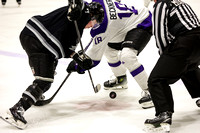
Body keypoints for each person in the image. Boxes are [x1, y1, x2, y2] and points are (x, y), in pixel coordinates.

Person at [1, 0, 104, 129]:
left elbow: (67, 50)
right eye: (94, 23)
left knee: (48, 76)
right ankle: (16, 110)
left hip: (37, 39)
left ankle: (34, 94)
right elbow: (76, 3)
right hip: (38, 41)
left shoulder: (78, 29)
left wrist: (80, 59)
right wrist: (75, 6)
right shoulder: (82, 10)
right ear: (92, 16)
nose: (91, 26)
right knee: (45, 80)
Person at [67, 0, 154, 109]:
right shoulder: (96, 3)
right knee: (108, 48)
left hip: (142, 22)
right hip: (125, 25)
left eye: (84, 23)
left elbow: (93, 60)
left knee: (127, 56)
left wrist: (77, 66)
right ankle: (121, 78)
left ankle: (153, 92)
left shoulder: (102, 29)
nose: (84, 27)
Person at [144, 0, 200, 131]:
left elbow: (159, 33)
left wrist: (165, 57)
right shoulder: (180, 2)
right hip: (198, 41)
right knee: (188, 68)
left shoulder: (161, 4)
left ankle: (164, 114)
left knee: (156, 79)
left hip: (186, 41)